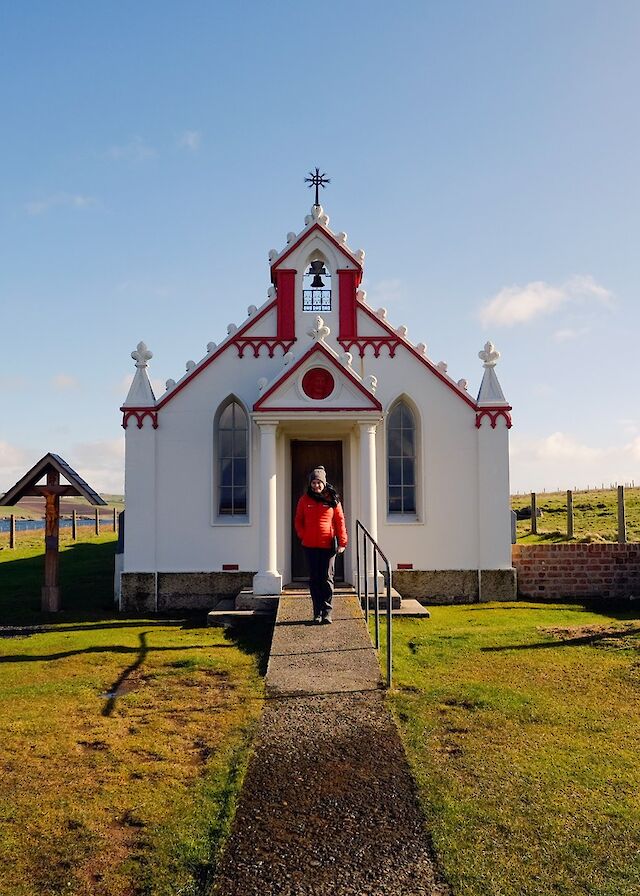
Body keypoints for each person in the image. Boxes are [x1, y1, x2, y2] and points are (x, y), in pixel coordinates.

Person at [294, 465, 347, 624]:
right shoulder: (304, 500)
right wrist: (304, 535)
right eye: (313, 483)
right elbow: (298, 521)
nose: (316, 486)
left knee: (327, 579)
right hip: (310, 546)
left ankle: (327, 612)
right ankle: (317, 613)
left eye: (319, 482)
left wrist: (342, 542)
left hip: (328, 546)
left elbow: (340, 522)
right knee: (315, 579)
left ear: (324, 483)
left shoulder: (333, 500)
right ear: (310, 484)